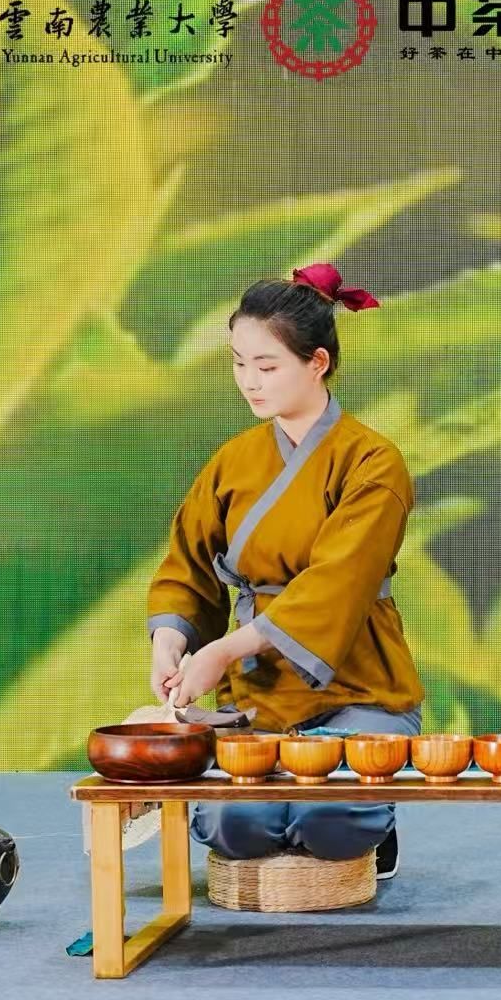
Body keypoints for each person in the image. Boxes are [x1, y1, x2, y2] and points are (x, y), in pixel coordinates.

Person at [148, 264, 423, 880]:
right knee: (234, 828)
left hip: (360, 687)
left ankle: (373, 819)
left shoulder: (374, 462)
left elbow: (336, 585)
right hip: (260, 694)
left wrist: (223, 650)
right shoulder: (233, 461)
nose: (250, 381)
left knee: (331, 823)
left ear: (317, 362)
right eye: (239, 363)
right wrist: (171, 642)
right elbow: (187, 565)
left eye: (267, 366)